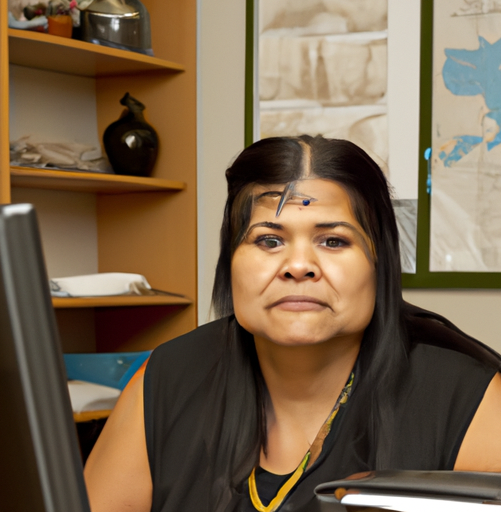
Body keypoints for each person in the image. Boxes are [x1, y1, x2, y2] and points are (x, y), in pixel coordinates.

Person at [84, 135, 501, 512]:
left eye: (333, 240)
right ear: (230, 262)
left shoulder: (471, 403)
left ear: (380, 264)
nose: (298, 266)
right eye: (269, 240)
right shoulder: (165, 380)